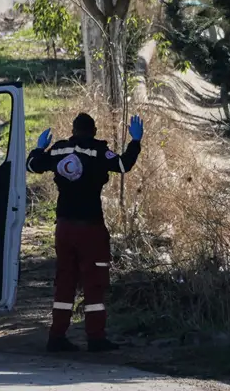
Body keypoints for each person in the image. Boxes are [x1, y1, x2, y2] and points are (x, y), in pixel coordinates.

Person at [28, 112, 144, 353]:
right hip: (90, 226)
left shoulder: (59, 150)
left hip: (64, 226)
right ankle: (96, 338)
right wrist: (135, 141)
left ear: (73, 129)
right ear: (94, 130)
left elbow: (33, 165)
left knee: (65, 281)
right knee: (94, 282)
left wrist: (39, 148)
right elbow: (123, 165)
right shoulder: (98, 151)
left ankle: (57, 336)